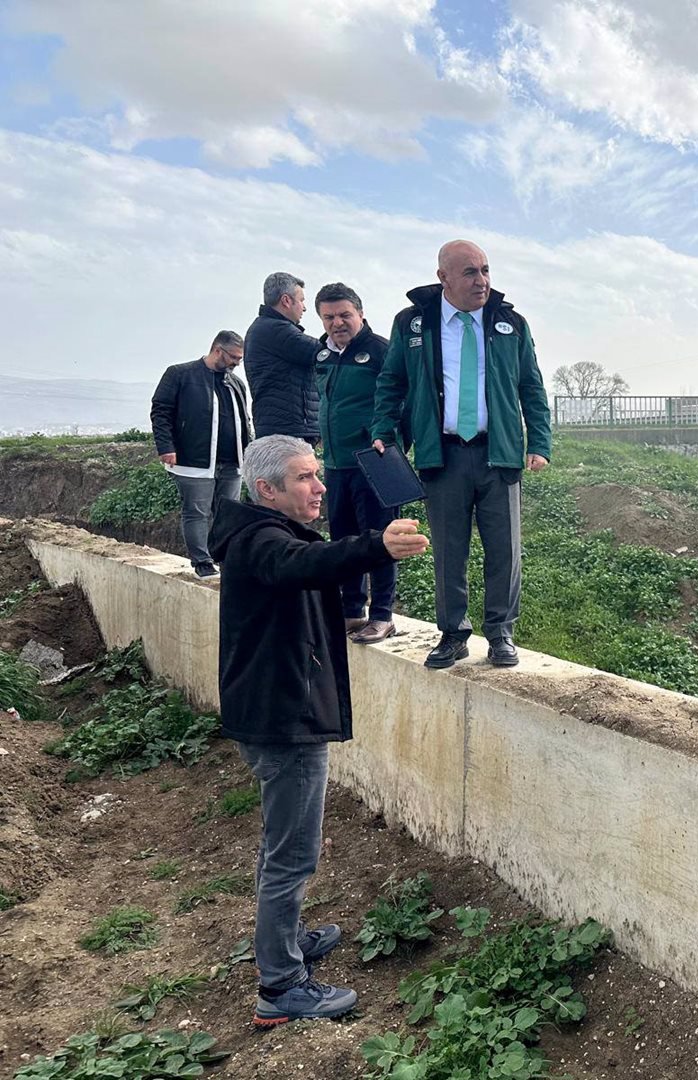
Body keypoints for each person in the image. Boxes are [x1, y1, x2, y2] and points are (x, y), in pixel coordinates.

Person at [209, 435, 429, 1026]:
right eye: (305, 477)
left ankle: (283, 938)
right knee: (292, 855)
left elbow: (304, 562)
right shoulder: (262, 541)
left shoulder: (260, 531)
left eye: (316, 473)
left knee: (279, 843)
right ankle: (280, 985)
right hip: (285, 721)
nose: (320, 486)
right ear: (266, 490)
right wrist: (377, 545)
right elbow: (302, 565)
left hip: (274, 710)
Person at [371, 239, 551, 670]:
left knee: (504, 549)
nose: (482, 281)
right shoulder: (414, 324)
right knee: (449, 551)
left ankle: (501, 632)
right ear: (444, 278)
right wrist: (383, 430)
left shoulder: (511, 324)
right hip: (443, 454)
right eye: (470, 272)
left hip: (498, 453)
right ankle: (453, 634)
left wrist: (540, 442)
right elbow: (391, 381)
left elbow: (531, 385)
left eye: (486, 270)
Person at [313, 282, 399, 644]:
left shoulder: (381, 351)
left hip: (374, 461)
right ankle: (351, 610)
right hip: (336, 464)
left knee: (380, 539)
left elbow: (401, 398)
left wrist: (391, 441)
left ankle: (382, 615)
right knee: (344, 540)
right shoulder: (322, 355)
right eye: (329, 317)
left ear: (360, 314)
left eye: (344, 314)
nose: (337, 323)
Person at [149, 330, 254, 577]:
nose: (237, 363)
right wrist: (166, 447)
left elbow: (244, 420)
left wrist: (249, 451)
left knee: (228, 514)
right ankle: (202, 562)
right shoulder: (180, 374)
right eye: (234, 357)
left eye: (240, 358)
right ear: (218, 350)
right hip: (193, 461)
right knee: (197, 512)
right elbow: (160, 412)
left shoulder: (235, 383)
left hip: (233, 462)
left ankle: (226, 560)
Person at [244, 272, 323, 441]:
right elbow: (321, 352)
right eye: (301, 300)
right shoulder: (275, 330)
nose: (304, 307)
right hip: (287, 431)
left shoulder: (266, 327)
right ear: (286, 300)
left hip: (283, 427)